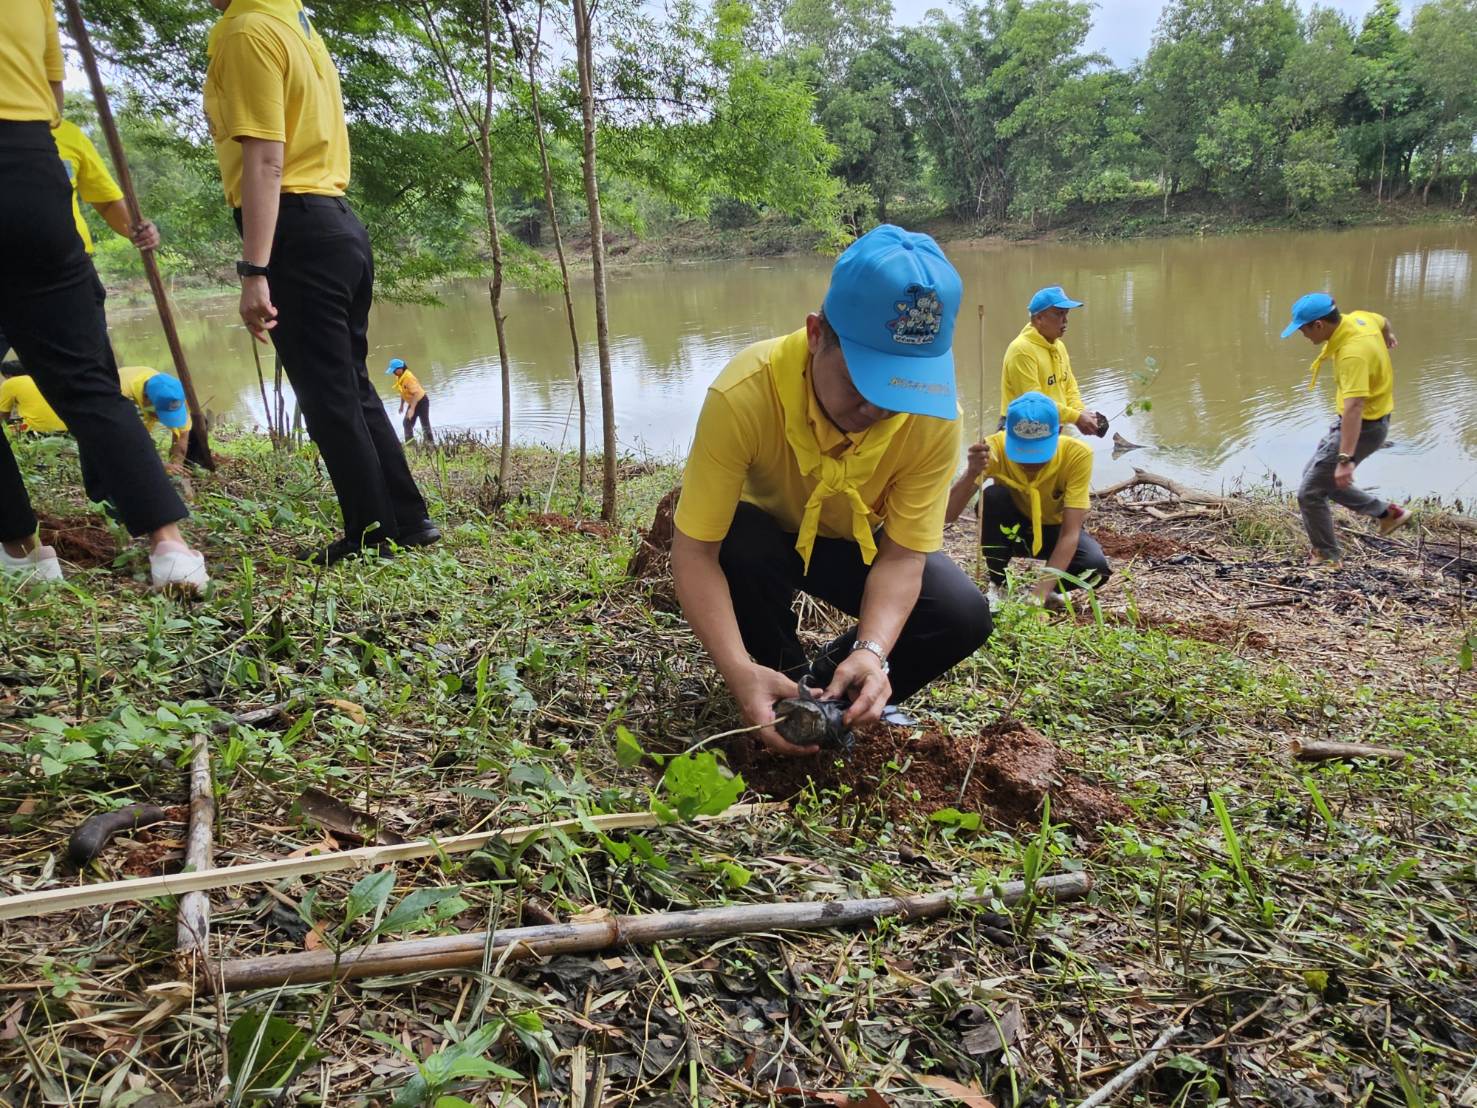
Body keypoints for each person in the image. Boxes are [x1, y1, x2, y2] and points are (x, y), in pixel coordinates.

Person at [670, 224, 993, 756]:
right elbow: (695, 551)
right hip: (765, 540)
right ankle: (770, 681)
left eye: (900, 391)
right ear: (817, 333)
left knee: (961, 614)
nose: (878, 411)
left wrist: (872, 650)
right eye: (863, 386)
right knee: (740, 539)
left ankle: (831, 699)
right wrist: (734, 669)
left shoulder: (935, 418)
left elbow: (904, 558)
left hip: (857, 540)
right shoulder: (743, 393)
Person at [204, 0, 437, 565]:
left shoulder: (247, 30)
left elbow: (265, 158)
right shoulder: (297, 23)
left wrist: (254, 268)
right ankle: (405, 519)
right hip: (337, 225)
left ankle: (372, 531)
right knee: (349, 386)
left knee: (329, 395)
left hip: (296, 229)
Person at [0, 1, 206, 589]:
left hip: (54, 234)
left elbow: (109, 198)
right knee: (90, 381)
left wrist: (134, 227)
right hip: (29, 170)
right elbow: (53, 98)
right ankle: (169, 545)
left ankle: (20, 548)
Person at [946, 391, 1111, 607]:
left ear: (1058, 433)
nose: (1030, 463)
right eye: (1023, 452)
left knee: (1096, 568)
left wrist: (1038, 595)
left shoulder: (1077, 455)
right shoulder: (993, 448)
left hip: (1054, 531)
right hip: (1014, 532)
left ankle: (1039, 591)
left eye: (1039, 453)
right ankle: (1000, 585)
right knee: (994, 497)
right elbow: (948, 515)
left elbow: (1070, 533)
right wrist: (971, 473)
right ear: (1008, 435)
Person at [1281, 293, 1411, 566]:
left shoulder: (1353, 353)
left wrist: (1345, 459)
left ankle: (1327, 557)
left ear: (1318, 325)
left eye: (1303, 329)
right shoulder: (1359, 319)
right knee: (1317, 479)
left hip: (1362, 426)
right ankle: (1388, 514)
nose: (1302, 335)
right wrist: (1388, 335)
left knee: (1310, 492)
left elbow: (1355, 407)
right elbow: (1383, 320)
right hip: (1369, 422)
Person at [1000, 286, 1105, 437]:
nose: (1065, 320)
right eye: (1059, 314)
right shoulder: (1021, 350)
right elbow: (1034, 404)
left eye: (1066, 313)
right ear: (1038, 319)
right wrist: (1076, 418)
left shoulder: (1058, 346)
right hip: (1021, 429)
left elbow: (1069, 387)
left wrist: (1080, 411)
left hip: (1052, 426)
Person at [0, 362, 68, 434]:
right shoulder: (42, 378)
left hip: (39, 431)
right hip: (66, 427)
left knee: (11, 428)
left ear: (7, 375)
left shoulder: (9, 383)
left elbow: (3, 413)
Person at [386, 358, 432, 446]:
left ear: (400, 369)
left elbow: (416, 394)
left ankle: (430, 444)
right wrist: (402, 405)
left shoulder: (409, 378)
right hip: (413, 403)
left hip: (421, 401)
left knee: (425, 424)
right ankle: (411, 445)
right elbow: (403, 392)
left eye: (394, 371)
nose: (393, 373)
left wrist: (412, 409)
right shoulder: (399, 377)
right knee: (407, 423)